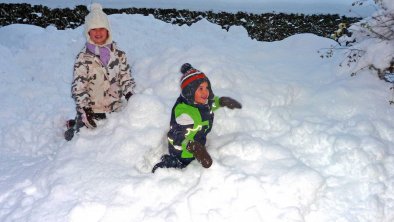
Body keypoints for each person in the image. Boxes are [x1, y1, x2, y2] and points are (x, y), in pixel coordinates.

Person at [152, 63, 242, 173]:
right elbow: (175, 136)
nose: (206, 92)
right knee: (183, 164)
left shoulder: (202, 102)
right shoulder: (185, 114)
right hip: (183, 152)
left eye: (206, 87)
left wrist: (221, 101)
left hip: (198, 142)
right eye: (200, 88)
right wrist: (192, 146)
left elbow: (210, 105)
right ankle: (172, 162)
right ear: (190, 91)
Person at [64, 3, 136, 141]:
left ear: (108, 30)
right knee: (80, 139)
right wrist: (85, 109)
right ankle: (73, 126)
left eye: (101, 28)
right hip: (91, 110)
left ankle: (75, 121)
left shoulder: (119, 54)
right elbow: (78, 87)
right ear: (88, 32)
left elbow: (125, 77)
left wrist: (129, 93)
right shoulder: (83, 58)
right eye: (93, 29)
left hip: (114, 108)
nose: (98, 32)